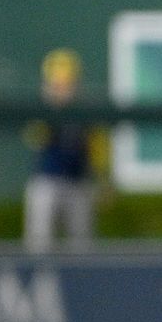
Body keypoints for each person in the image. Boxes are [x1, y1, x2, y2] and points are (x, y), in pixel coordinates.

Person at [22, 49, 102, 251]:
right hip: (47, 179)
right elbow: (34, 138)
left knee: (81, 244)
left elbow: (97, 146)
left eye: (68, 84)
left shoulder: (85, 112)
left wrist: (102, 178)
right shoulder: (43, 110)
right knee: (39, 242)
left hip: (78, 182)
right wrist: (52, 112)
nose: (63, 89)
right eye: (58, 84)